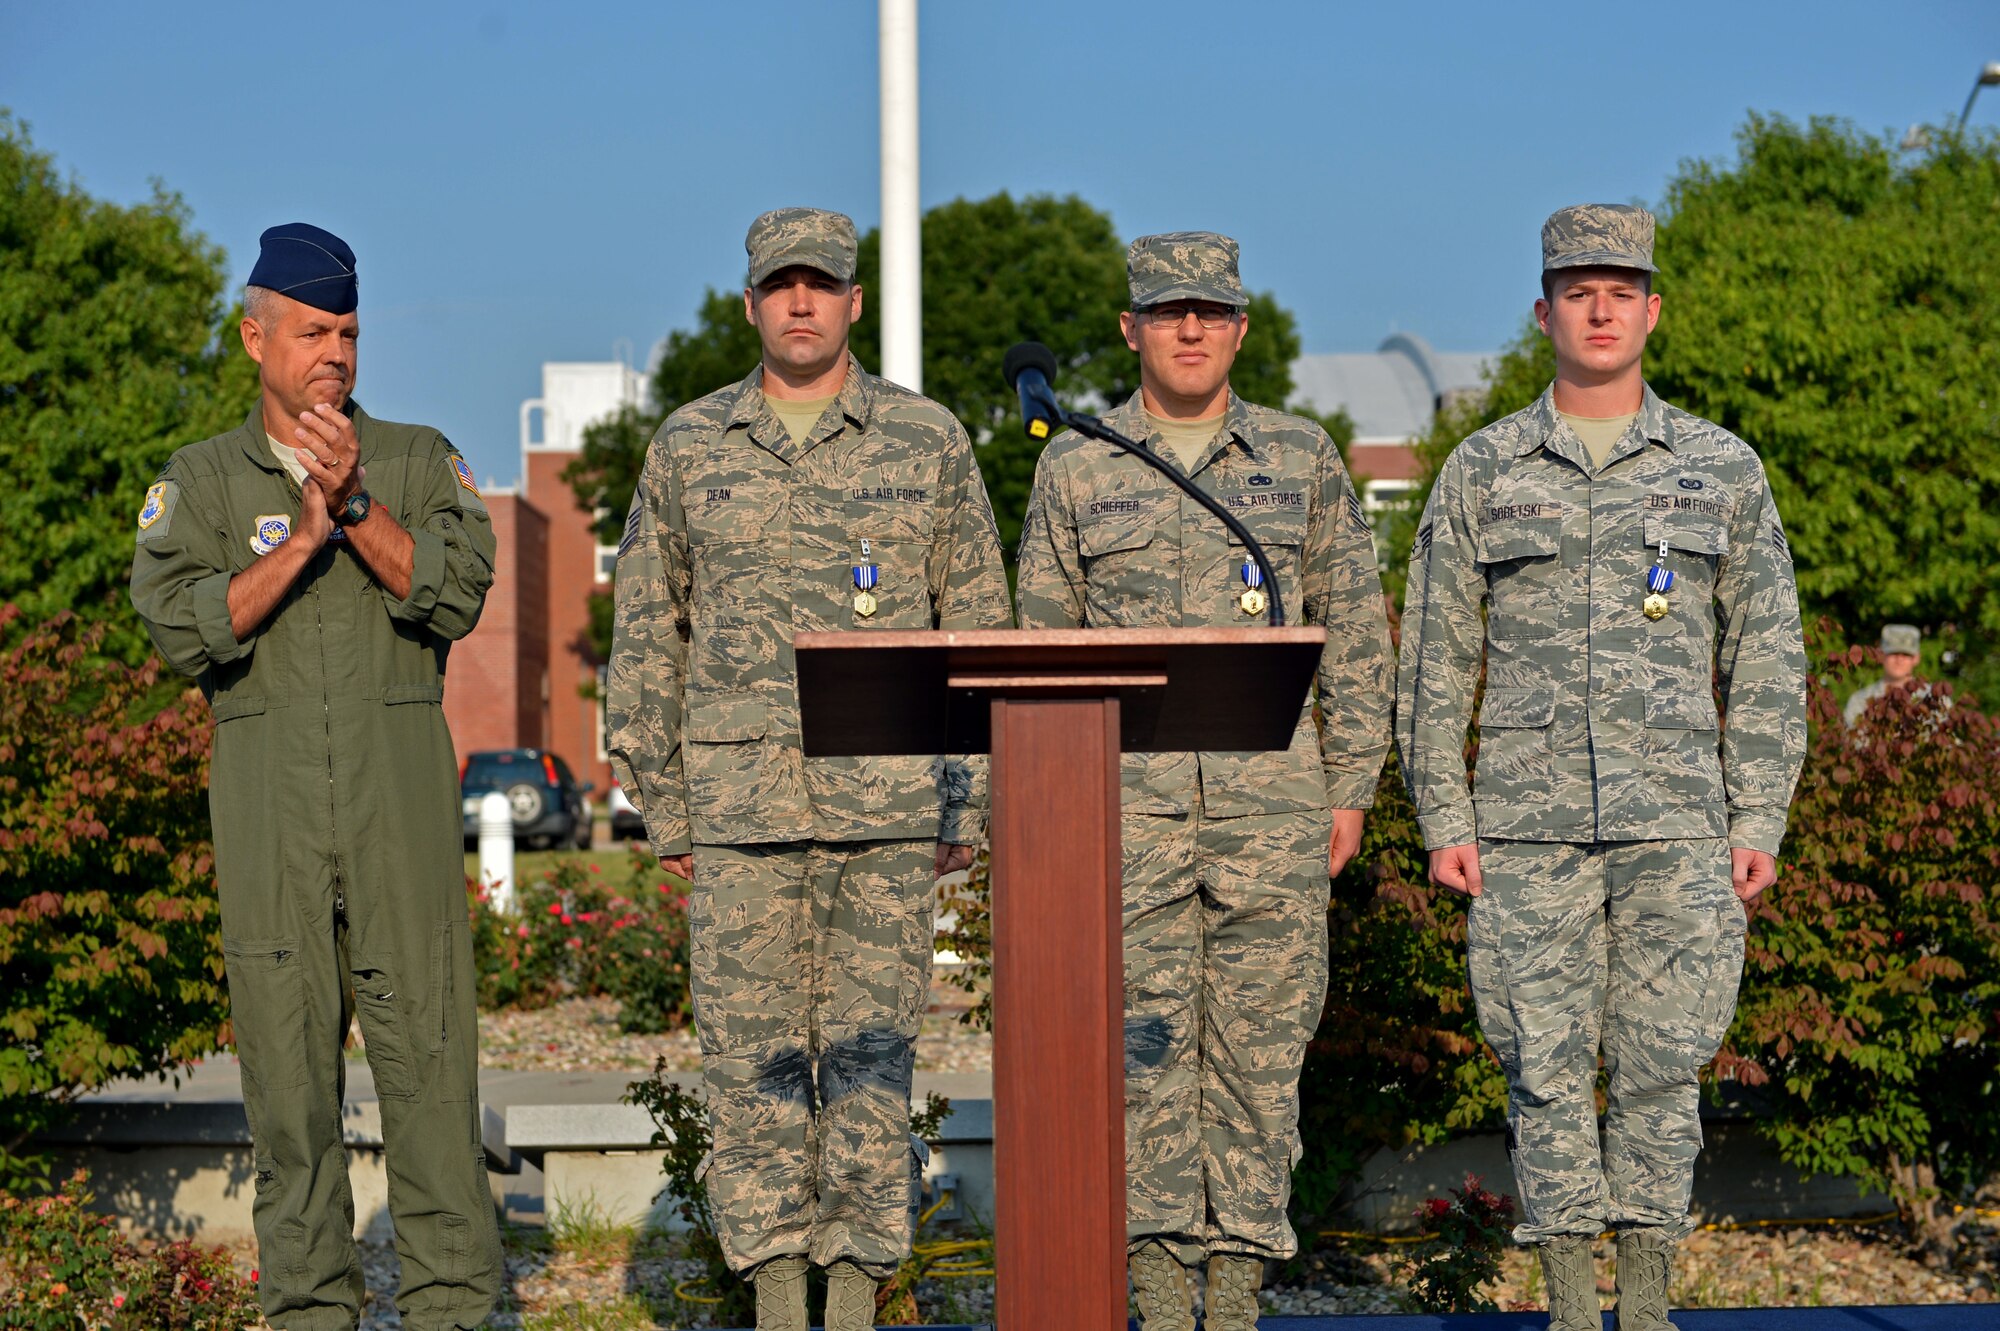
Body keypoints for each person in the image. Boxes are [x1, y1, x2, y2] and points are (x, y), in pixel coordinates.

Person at [1396, 204, 1807, 1330]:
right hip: (1523, 825)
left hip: (1679, 820)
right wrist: (1442, 810)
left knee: (1663, 1063)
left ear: (1650, 311)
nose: (1597, 308)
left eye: (1618, 289)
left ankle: (1646, 1306)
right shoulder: (1482, 467)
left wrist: (1756, 814)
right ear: (1542, 312)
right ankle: (1573, 1305)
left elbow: (1765, 650)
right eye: (1576, 290)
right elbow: (1435, 654)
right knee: (1541, 1064)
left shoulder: (1719, 466)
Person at [607, 207, 1010, 1331]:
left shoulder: (925, 440)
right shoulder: (690, 442)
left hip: (885, 808)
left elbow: (976, 627)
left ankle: (854, 1291)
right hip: (739, 813)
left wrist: (963, 794)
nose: (799, 302)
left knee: (875, 1060)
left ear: (853, 305)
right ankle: (777, 1293)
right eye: (779, 284)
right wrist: (666, 802)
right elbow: (646, 628)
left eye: (820, 284)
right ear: (749, 304)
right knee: (750, 1067)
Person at [1015, 232, 1393, 1331]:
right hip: (1118, 818)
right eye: (1167, 310)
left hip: (1271, 813)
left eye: (1210, 311)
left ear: (1239, 326)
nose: (1190, 328)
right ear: (1130, 328)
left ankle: (1232, 1299)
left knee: (1258, 1064)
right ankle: (1158, 1297)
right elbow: (1036, 648)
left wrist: (1351, 787)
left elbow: (1355, 634)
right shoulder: (1076, 462)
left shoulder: (1301, 457)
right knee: (1137, 1065)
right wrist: (1048, 814)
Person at [129, 223, 502, 1330]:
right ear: (254, 337)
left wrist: (351, 506)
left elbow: (456, 591)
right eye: (309, 331)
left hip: (400, 825)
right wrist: (296, 541)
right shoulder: (197, 482)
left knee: (435, 1097)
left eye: (346, 329)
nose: (332, 351)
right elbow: (181, 629)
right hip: (269, 826)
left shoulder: (419, 460)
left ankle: (450, 1313)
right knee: (291, 1112)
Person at [1844, 623, 1924, 725]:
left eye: (1905, 654)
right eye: (1893, 653)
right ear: (1881, 655)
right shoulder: (1860, 701)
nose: (1899, 660)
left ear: (1916, 658)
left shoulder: (1933, 699)